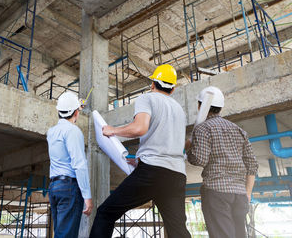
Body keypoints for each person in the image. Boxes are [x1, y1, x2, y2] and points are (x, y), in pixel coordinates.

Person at [89, 64, 191, 238]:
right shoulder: (179, 110)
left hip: (153, 172)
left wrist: (112, 130)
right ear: (172, 89)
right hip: (177, 175)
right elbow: (176, 143)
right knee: (178, 230)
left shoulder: (148, 98)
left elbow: (140, 128)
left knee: (105, 213)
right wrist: (139, 160)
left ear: (153, 84)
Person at [185, 86, 259, 238]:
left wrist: (189, 148)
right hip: (240, 194)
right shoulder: (238, 130)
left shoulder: (202, 128)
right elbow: (252, 164)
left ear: (200, 105)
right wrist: (248, 193)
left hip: (216, 192)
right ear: (221, 107)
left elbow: (199, 159)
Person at [47, 92, 93, 238]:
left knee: (61, 232)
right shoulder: (74, 131)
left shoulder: (51, 132)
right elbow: (79, 164)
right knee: (66, 235)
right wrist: (87, 196)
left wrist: (75, 107)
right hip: (69, 188)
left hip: (54, 187)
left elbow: (68, 115)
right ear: (76, 112)